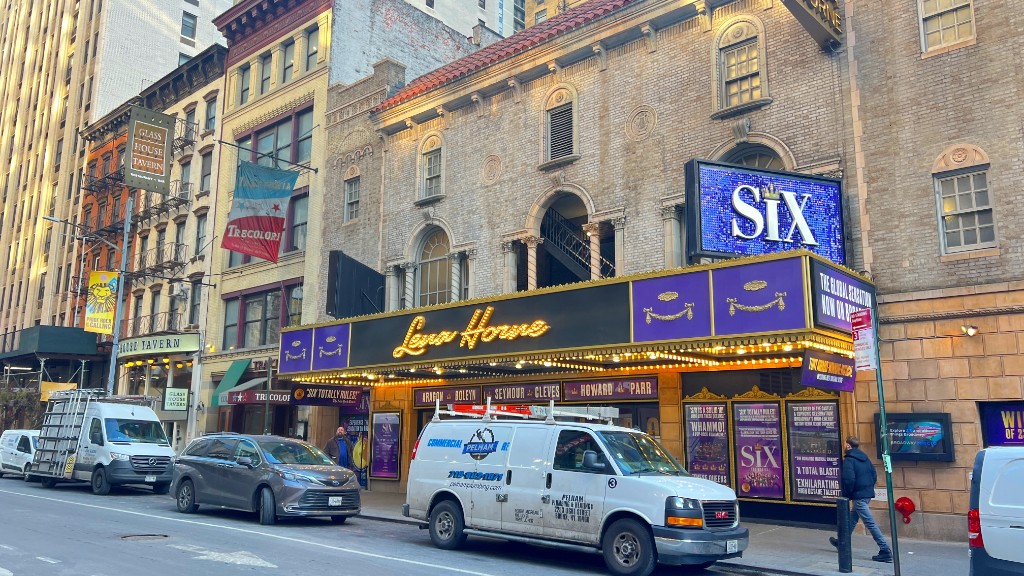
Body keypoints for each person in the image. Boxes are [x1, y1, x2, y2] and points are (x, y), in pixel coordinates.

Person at [830, 436, 893, 563]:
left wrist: (847, 495)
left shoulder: (849, 460)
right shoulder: (865, 458)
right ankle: (841, 542)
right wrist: (868, 488)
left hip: (858, 496)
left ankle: (885, 550)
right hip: (867, 494)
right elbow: (874, 474)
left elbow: (849, 480)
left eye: (844, 444)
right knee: (852, 518)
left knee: (870, 523)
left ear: (848, 445)